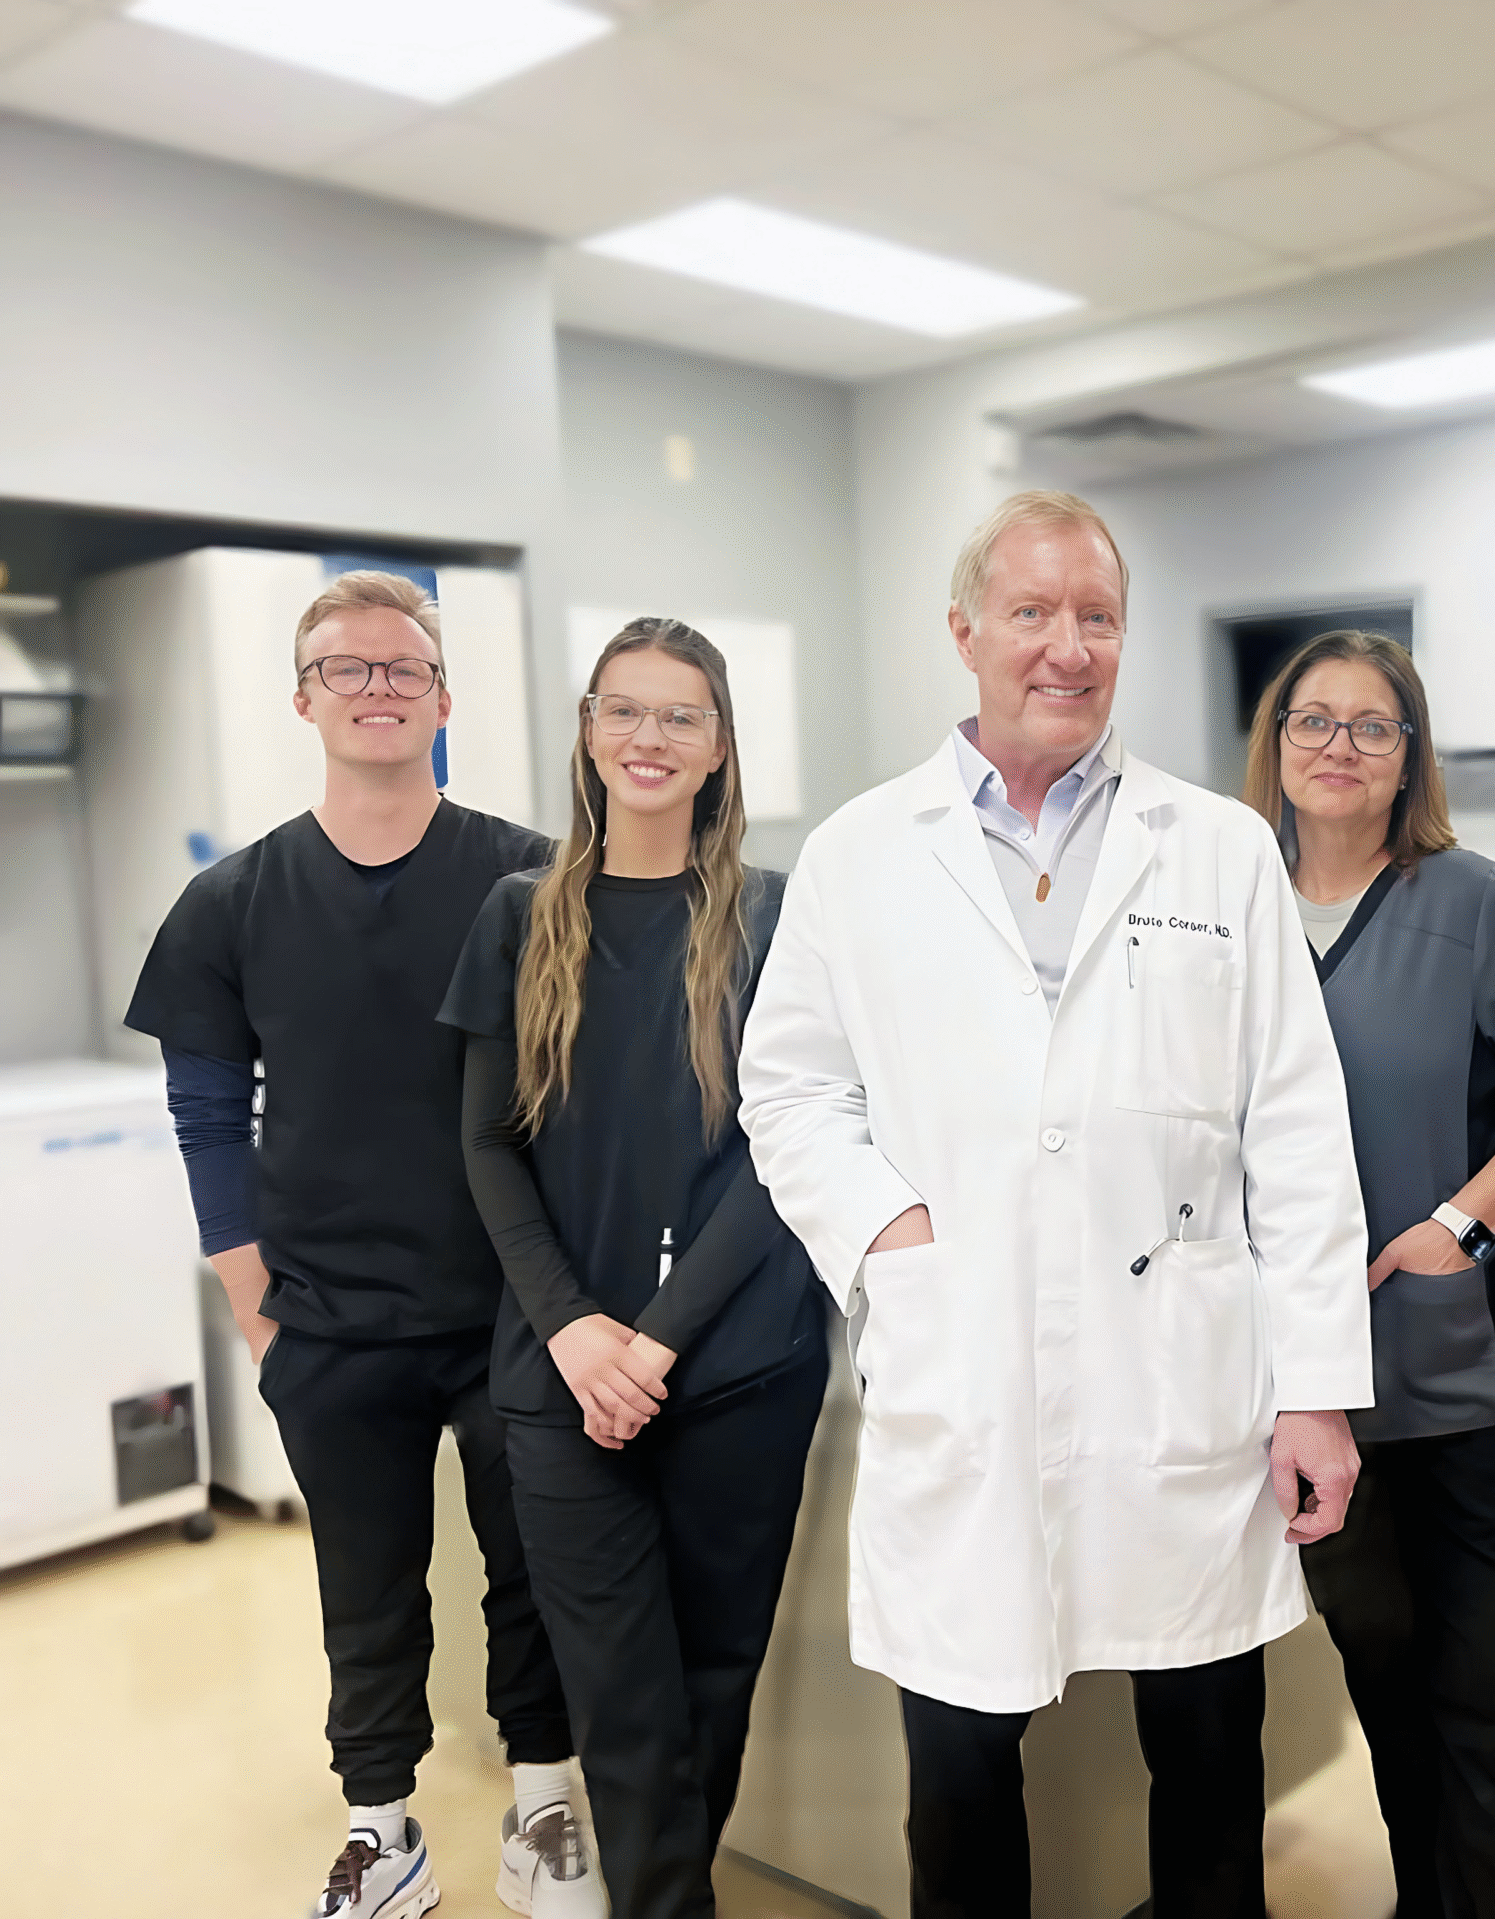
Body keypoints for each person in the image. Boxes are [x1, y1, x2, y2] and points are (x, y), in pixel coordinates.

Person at [735, 490, 1372, 1919]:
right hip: (964, 1357)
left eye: (1096, 617)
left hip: (1183, 1376)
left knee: (1209, 1751)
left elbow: (1297, 1121)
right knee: (959, 1766)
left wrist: (1317, 1388)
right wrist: (886, 1234)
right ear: (964, 631)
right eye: (1032, 613)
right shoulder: (859, 852)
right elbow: (785, 1087)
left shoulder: (1217, 845)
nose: (1067, 649)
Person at [127, 571, 604, 1919]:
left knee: (536, 1567)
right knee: (367, 1583)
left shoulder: (527, 876)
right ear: (304, 696)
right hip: (330, 1315)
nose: (380, 685)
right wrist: (252, 1300)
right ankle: (380, 1828)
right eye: (349, 667)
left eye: (406, 666)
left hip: (511, 1303)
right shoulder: (234, 900)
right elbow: (209, 1108)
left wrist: (575, 1294)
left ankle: (544, 1803)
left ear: (445, 698)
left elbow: (580, 1090)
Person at [439, 618, 829, 1919]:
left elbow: (790, 1151)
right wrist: (577, 1332)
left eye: (682, 716)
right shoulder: (517, 915)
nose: (650, 738)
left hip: (737, 1367)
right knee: (623, 1698)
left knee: (717, 1678)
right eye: (626, 710)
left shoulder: (777, 918)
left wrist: (655, 1339)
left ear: (722, 749)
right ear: (590, 731)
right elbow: (490, 1146)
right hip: (563, 1382)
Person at [1244, 630, 1495, 1919]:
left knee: (1485, 1698)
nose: (1338, 747)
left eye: (1372, 726)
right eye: (1313, 722)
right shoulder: (1228, 908)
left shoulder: (1472, 900)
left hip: (1464, 1367)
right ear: (1275, 744)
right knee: (1385, 1680)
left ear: (1410, 757)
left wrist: (1462, 1219)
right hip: (1303, 1377)